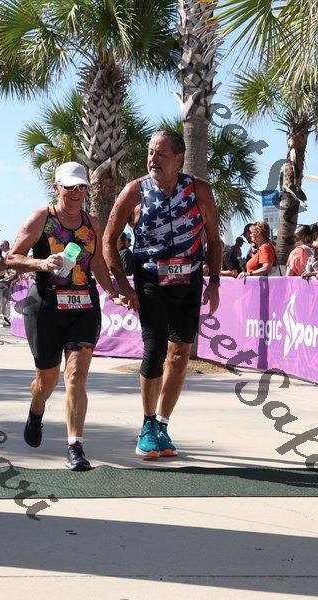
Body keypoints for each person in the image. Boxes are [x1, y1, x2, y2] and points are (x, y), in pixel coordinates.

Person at [103, 130, 222, 459]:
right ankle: (147, 424)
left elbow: (214, 239)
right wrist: (122, 285)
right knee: (155, 349)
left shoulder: (198, 190)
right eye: (150, 153)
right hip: (150, 279)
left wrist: (214, 282)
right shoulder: (135, 190)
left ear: (179, 158)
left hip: (188, 279)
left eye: (161, 153)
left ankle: (163, 425)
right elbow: (108, 241)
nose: (153, 159)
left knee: (180, 354)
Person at [6, 161, 124, 471]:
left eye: (81, 187)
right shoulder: (41, 219)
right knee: (47, 381)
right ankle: (36, 408)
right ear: (56, 187)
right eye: (69, 186)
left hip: (84, 306)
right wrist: (42, 264)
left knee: (75, 377)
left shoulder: (92, 223)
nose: (75, 192)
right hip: (46, 307)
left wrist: (113, 292)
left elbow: (96, 263)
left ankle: (75, 446)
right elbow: (12, 258)